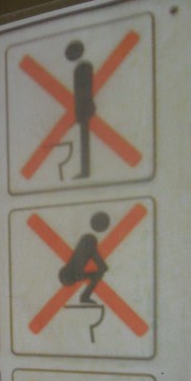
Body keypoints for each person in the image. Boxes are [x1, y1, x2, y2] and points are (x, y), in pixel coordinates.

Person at [59, 212, 110, 304]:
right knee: (99, 273)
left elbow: (94, 257)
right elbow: (95, 260)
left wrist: (100, 268)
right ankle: (85, 296)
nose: (76, 281)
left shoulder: (77, 265)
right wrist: (100, 269)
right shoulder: (76, 268)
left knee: (99, 272)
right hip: (88, 243)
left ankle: (85, 296)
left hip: (88, 242)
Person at [65, 40, 95, 179]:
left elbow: (84, 92)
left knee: (84, 141)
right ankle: (84, 170)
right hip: (83, 110)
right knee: (83, 141)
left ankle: (85, 170)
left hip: (84, 110)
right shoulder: (82, 68)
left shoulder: (83, 68)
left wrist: (81, 111)